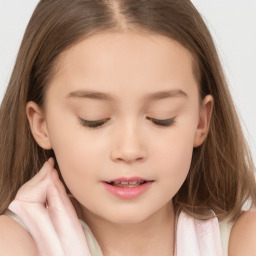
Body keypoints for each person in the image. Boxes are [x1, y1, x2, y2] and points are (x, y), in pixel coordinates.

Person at [0, 0, 255, 255]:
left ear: (201, 121)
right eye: (94, 120)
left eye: (161, 118)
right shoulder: (12, 244)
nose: (130, 150)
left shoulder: (242, 241)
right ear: (41, 124)